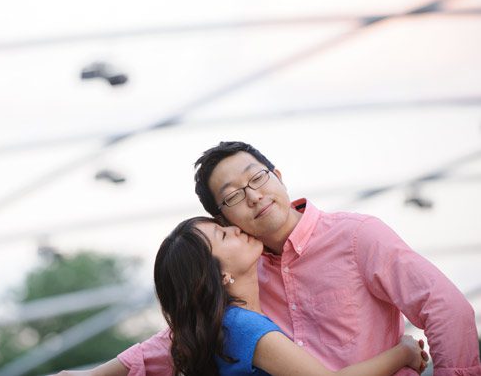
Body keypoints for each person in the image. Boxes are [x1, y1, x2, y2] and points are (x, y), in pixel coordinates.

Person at [57, 142, 481, 376]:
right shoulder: (240, 276)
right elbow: (187, 334)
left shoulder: (356, 236)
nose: (255, 195)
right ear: (223, 218)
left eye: (257, 178)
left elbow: (445, 308)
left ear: (277, 176)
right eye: (234, 196)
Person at [157, 216, 427, 375]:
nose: (236, 228)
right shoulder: (242, 326)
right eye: (224, 236)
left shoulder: (229, 326)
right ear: (218, 275)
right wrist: (403, 352)